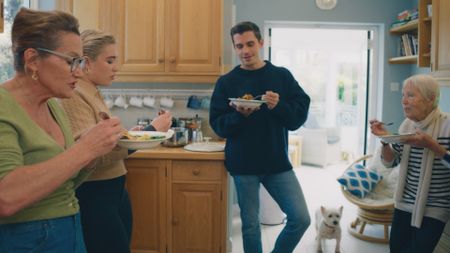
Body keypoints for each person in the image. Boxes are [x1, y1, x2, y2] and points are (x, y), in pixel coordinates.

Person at [0, 8, 123, 253]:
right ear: (33, 59)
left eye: (80, 62)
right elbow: (7, 197)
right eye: (71, 61)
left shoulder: (53, 106)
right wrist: (84, 150)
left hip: (70, 229)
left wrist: (91, 153)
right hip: (26, 239)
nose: (78, 71)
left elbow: (64, 182)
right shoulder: (4, 107)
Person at [59, 29, 172, 253]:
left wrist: (132, 134)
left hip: (113, 190)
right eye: (109, 61)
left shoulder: (93, 91)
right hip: (95, 193)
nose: (116, 67)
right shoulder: (74, 95)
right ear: (87, 63)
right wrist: (150, 131)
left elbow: (104, 139)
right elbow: (90, 154)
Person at [209, 21, 311, 253]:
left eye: (250, 44)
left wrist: (279, 106)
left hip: (276, 162)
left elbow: (297, 118)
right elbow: (218, 125)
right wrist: (240, 116)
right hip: (243, 164)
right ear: (234, 48)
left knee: (301, 218)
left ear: (261, 43)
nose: (245, 51)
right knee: (251, 226)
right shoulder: (226, 82)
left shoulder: (282, 76)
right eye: (239, 46)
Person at [370, 74, 450, 253]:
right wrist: (385, 139)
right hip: (403, 203)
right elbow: (390, 162)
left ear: (431, 99)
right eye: (403, 95)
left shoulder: (448, 125)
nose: (403, 101)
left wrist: (431, 145)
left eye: (410, 95)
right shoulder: (407, 126)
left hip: (435, 207)